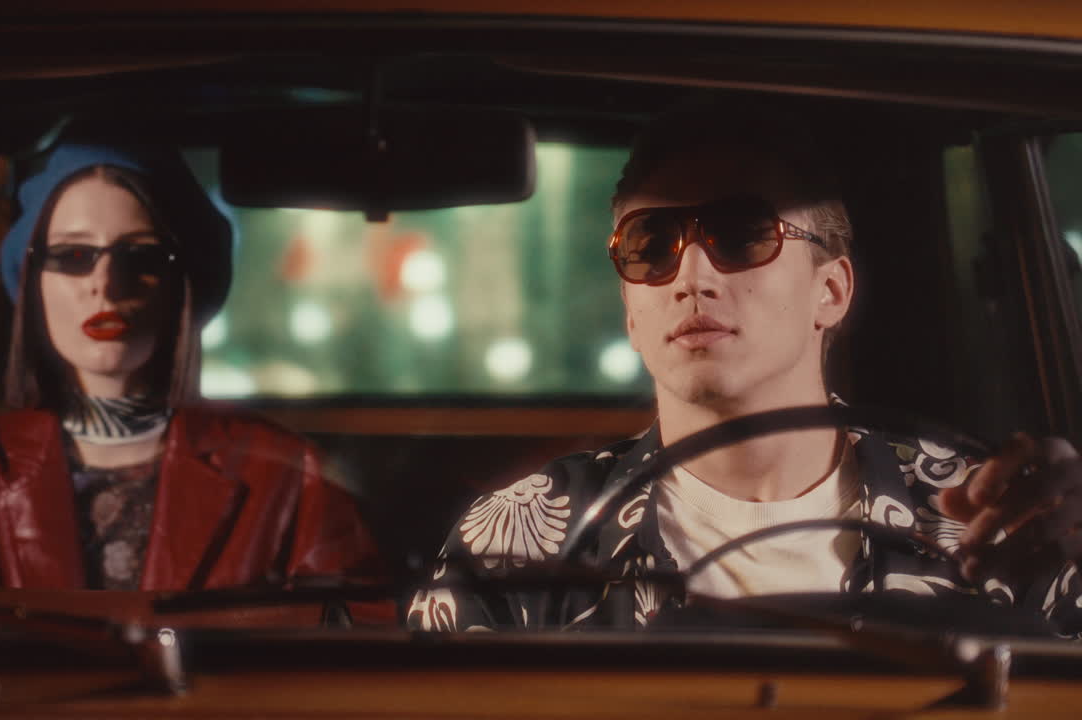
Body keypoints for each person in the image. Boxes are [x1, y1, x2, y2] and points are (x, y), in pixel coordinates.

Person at [407, 102, 1082, 633]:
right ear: (630, 312)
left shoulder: (985, 519)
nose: (691, 277)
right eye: (651, 245)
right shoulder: (523, 538)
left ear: (831, 290)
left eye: (740, 234)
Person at [0, 142, 382, 592]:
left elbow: (347, 646)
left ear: (182, 286)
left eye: (140, 256)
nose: (106, 283)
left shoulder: (293, 484)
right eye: (73, 255)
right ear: (32, 283)